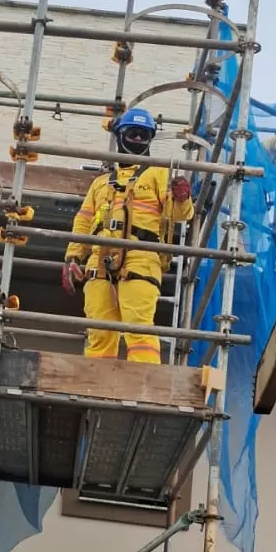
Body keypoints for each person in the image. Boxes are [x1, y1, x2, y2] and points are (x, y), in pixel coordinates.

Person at [62, 108, 193, 365]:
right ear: (121, 135)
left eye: (144, 135)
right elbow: (84, 221)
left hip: (141, 255)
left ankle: (143, 382)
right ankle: (97, 382)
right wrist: (73, 257)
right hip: (99, 258)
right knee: (99, 331)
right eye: (133, 133)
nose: (138, 139)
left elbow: (178, 215)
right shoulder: (101, 182)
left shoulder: (158, 173)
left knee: (138, 327)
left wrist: (182, 198)